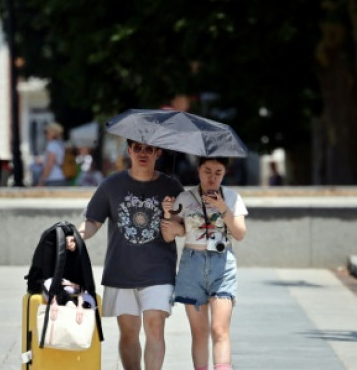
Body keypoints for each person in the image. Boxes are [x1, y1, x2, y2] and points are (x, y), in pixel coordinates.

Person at [79, 139, 183, 370]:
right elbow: (93, 221)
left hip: (159, 271)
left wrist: (171, 217)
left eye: (149, 149)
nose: (143, 153)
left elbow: (183, 226)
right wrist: (75, 235)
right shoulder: (111, 185)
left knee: (155, 327)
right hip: (121, 270)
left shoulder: (173, 187)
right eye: (138, 148)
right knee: (128, 334)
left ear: (158, 152)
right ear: (129, 151)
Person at [162, 156, 248, 370]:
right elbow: (169, 235)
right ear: (198, 170)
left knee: (220, 329)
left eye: (218, 172)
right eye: (207, 171)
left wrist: (223, 208)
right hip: (193, 264)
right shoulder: (185, 197)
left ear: (224, 173)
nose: (212, 177)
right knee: (199, 333)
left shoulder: (232, 197)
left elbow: (239, 234)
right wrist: (167, 213)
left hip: (222, 263)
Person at [37, 122, 68, 186]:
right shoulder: (60, 144)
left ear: (53, 133)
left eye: (46, 132)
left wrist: (42, 180)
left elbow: (49, 164)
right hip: (61, 177)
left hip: (53, 179)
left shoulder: (52, 145)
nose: (45, 135)